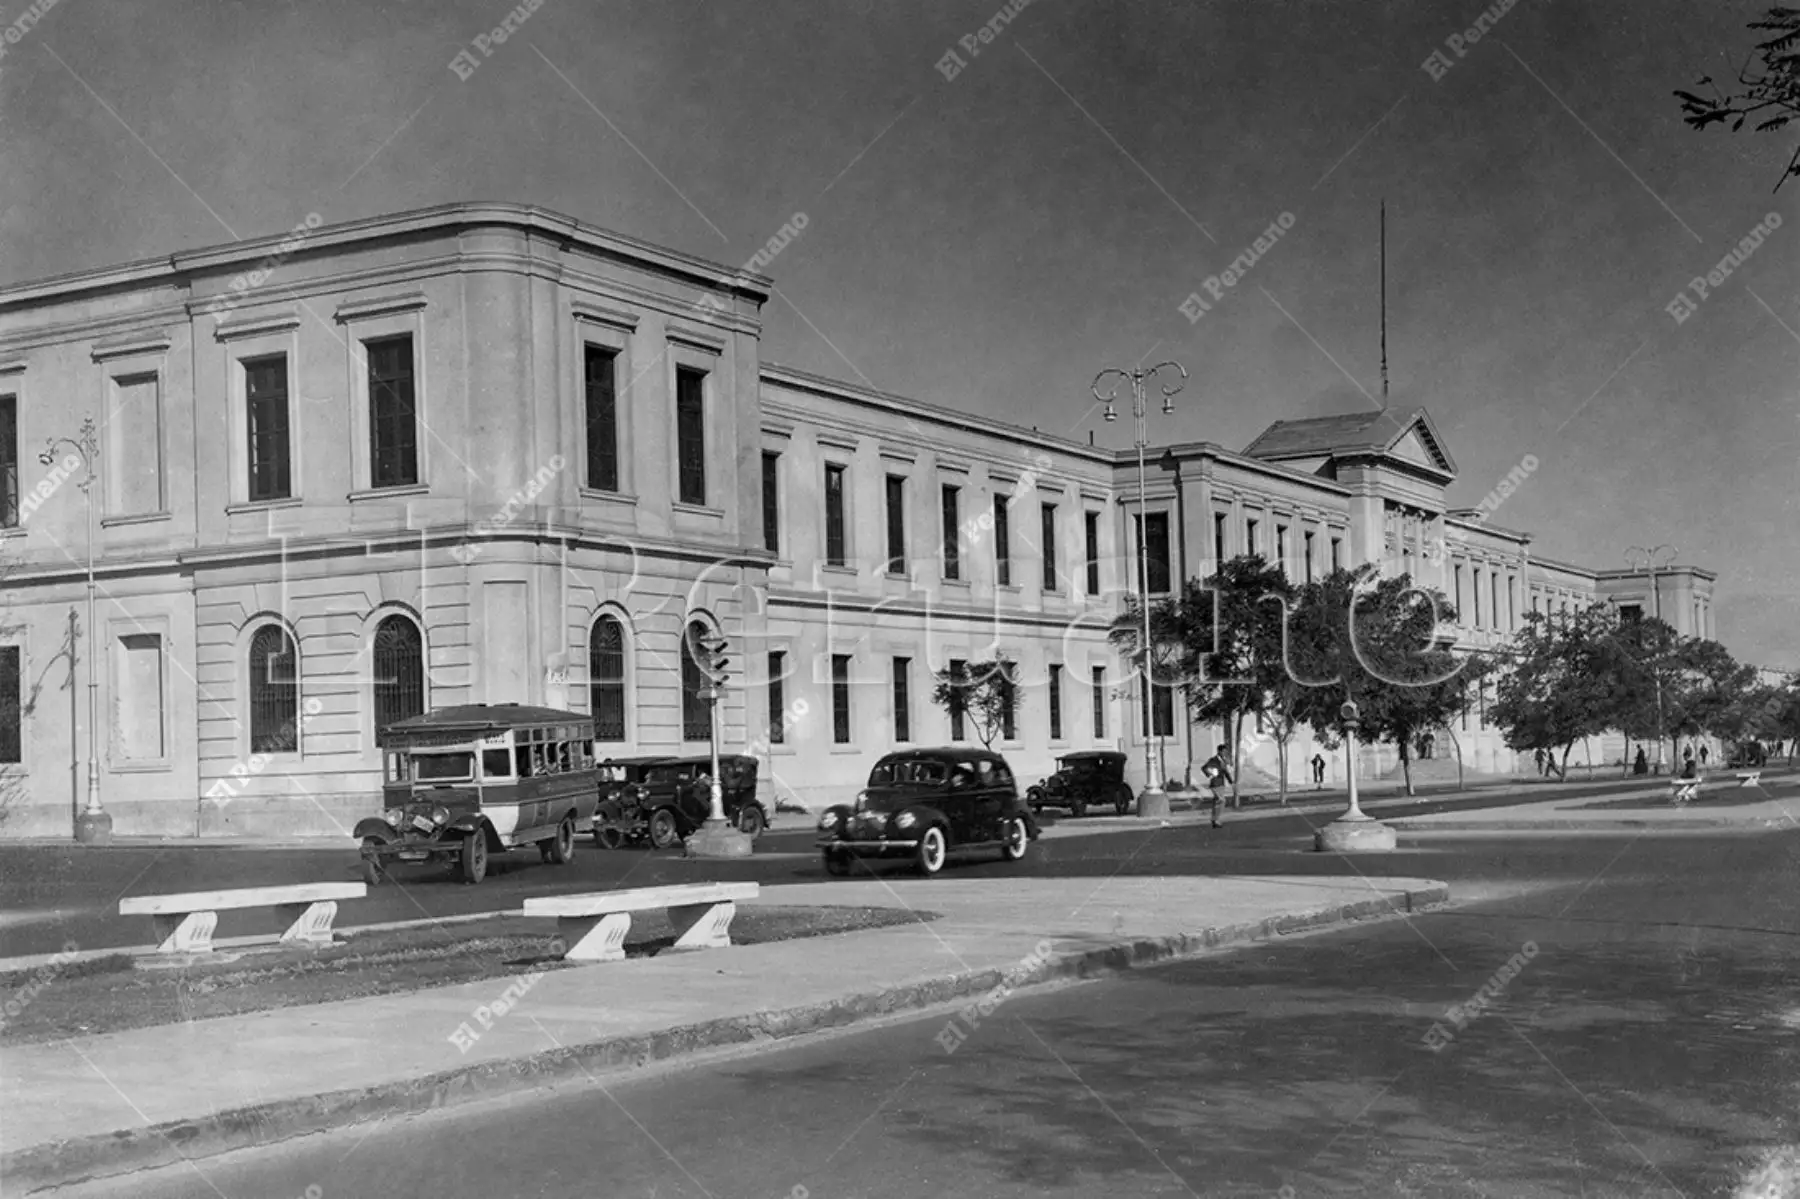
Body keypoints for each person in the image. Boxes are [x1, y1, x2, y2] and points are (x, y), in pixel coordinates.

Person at [1201, 751, 1232, 829]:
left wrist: (1231, 782)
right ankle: (1216, 820)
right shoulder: (1213, 760)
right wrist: (1211, 773)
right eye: (1224, 752)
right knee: (1221, 800)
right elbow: (1204, 768)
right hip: (1215, 784)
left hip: (1221, 784)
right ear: (1220, 752)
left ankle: (1214, 820)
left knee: (1217, 802)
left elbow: (1225, 772)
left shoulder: (1223, 761)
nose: (1225, 754)